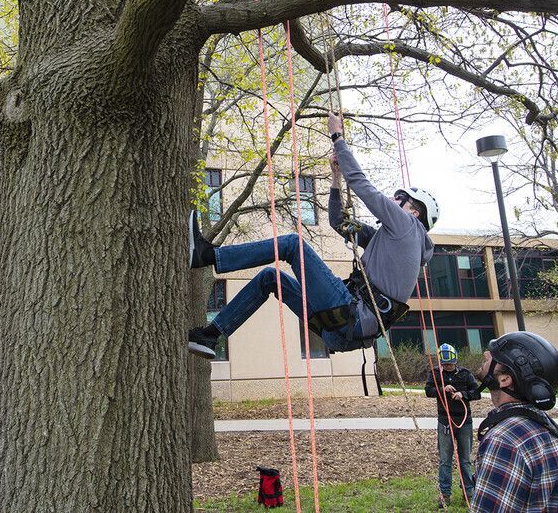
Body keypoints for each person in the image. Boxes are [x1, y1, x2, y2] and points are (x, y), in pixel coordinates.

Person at [187, 112, 436, 356]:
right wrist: (336, 179)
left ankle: (206, 256)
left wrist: (337, 136)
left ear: (414, 213)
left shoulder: (407, 226)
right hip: (343, 330)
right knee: (270, 278)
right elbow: (338, 222)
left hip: (350, 315)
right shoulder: (392, 239)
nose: (393, 200)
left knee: (293, 244)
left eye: (400, 199)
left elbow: (362, 184)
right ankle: (210, 335)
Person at [471, 332, 558, 512]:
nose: (486, 355)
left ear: (505, 379)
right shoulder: (541, 424)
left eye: (494, 356)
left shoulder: (505, 441)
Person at [424, 343, 480, 507]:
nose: (448, 367)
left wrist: (462, 394)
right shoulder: (435, 374)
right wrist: (442, 389)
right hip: (444, 421)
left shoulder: (465, 374)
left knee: (465, 460)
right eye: (445, 364)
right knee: (445, 460)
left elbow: (476, 393)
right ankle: (445, 495)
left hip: (464, 421)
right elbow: (428, 391)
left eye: (450, 364)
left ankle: (468, 493)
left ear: (455, 361)